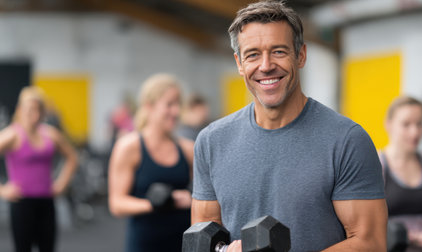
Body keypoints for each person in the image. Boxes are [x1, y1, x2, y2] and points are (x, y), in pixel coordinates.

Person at [191, 1, 387, 251]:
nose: (266, 65)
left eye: (279, 52)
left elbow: (370, 242)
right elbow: (203, 241)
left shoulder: (347, 140)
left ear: (301, 55)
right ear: (239, 63)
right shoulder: (211, 141)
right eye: (252, 55)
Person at [108, 74, 193, 252]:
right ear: (149, 106)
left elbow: (204, 196)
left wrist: (192, 199)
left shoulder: (188, 149)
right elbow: (117, 203)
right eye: (169, 104)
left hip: (183, 242)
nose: (176, 111)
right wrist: (154, 203)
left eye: (178, 104)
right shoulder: (129, 147)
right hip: (145, 243)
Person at [0, 86, 78, 252]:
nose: (34, 116)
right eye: (29, 111)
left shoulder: (50, 134)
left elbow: (72, 157)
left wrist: (62, 184)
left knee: (48, 247)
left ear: (42, 113)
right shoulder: (12, 135)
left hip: (46, 201)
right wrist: (2, 190)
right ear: (20, 110)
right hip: (22, 202)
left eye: (38, 111)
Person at [380, 96, 422, 250]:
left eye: (419, 124)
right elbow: (370, 225)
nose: (415, 132)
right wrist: (413, 238)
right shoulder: (377, 165)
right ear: (389, 124)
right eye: (406, 124)